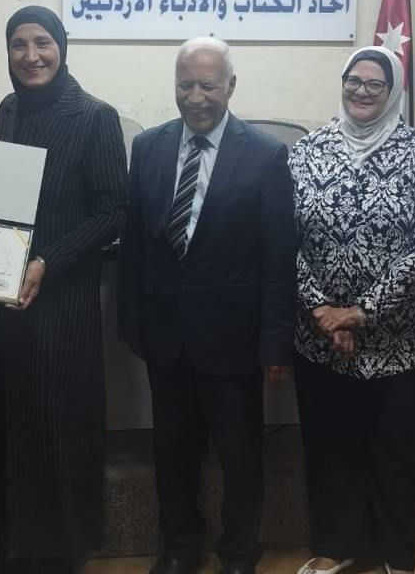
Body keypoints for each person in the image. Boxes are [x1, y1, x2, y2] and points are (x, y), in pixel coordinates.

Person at [0, 6, 128, 574]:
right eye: (18, 44)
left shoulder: (95, 116)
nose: (31, 56)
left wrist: (49, 260)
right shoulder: (6, 108)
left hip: (57, 305)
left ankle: (53, 552)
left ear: (62, 47)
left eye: (42, 42)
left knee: (50, 427)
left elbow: (113, 212)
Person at [117, 37, 296, 574]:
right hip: (165, 336)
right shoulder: (147, 147)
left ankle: (239, 554)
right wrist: (130, 321)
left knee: (241, 456)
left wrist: (275, 343)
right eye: (185, 85)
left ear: (230, 87)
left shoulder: (266, 154)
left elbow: (278, 258)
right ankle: (179, 548)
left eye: (208, 86)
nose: (195, 97)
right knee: (173, 453)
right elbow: (135, 244)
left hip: (234, 341)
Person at [287, 46, 415, 574]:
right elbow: (282, 237)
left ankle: (395, 551)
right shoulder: (307, 150)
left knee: (396, 449)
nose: (361, 91)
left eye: (374, 83)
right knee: (329, 446)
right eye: (352, 80)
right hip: (320, 336)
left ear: (393, 90)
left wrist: (361, 312)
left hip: (399, 340)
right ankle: (336, 545)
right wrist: (321, 309)